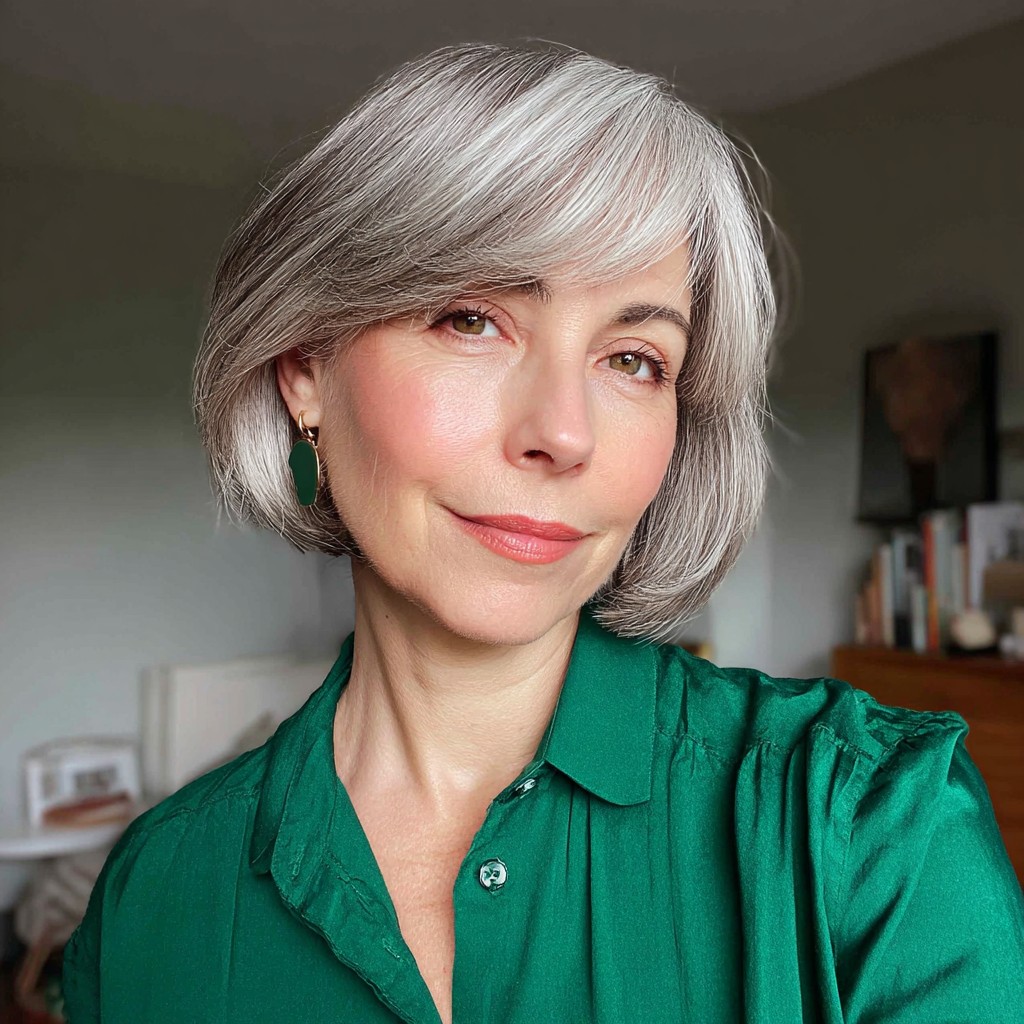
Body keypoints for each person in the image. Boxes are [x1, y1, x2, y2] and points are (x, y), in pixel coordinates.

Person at [62, 40, 1024, 1024]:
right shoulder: (155, 900)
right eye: (470, 318)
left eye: (634, 358)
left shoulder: (878, 834)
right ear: (306, 368)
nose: (564, 434)